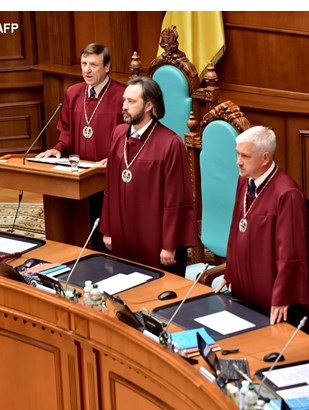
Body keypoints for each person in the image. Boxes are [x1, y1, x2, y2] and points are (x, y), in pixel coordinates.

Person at [214, 126, 309, 330]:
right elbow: (236, 228)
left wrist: (283, 295)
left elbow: (291, 252)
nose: (238, 162)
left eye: (245, 156)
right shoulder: (244, 181)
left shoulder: (287, 194)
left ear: (265, 158)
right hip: (247, 291)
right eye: (237, 154)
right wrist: (231, 272)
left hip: (277, 302)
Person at [100, 76, 197, 276]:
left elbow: (177, 198)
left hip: (154, 239)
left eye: (131, 101)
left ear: (148, 106)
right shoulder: (118, 134)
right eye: (124, 100)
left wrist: (170, 244)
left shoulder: (170, 143)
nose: (124, 106)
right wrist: (108, 229)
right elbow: (109, 187)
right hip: (123, 232)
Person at [36, 43, 124, 251]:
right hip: (79, 175)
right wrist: (58, 148)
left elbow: (129, 135)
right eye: (84, 64)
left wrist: (115, 158)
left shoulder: (122, 95)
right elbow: (66, 129)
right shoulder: (73, 93)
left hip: (108, 174)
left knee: (104, 226)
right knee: (79, 222)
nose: (87, 70)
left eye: (93, 64)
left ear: (107, 66)